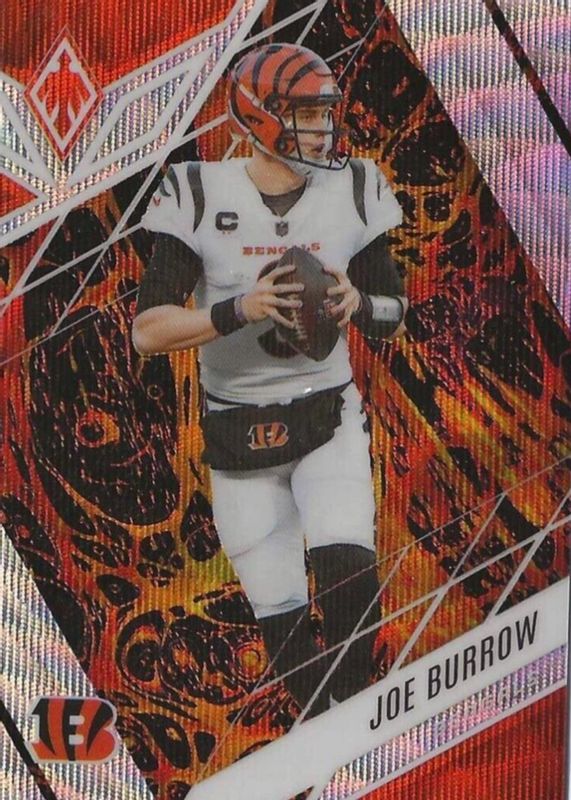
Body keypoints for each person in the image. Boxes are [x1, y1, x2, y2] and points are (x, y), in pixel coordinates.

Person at [132, 43, 407, 717]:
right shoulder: (197, 190)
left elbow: (394, 313)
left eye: (325, 113)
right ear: (260, 116)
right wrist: (239, 309)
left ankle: (354, 715)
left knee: (347, 561)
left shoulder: (356, 186)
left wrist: (357, 304)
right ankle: (322, 723)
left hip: (326, 409)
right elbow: (147, 331)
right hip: (235, 428)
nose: (323, 129)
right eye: (307, 115)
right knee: (279, 602)